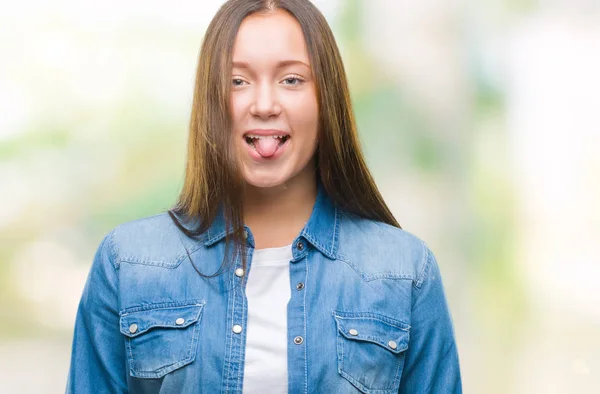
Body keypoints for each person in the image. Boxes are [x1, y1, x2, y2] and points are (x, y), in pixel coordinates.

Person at [66, 0, 462, 393]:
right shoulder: (129, 263)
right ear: (211, 102)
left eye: (291, 79)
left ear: (327, 101)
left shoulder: (405, 270)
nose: (265, 105)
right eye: (238, 81)